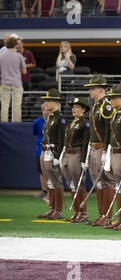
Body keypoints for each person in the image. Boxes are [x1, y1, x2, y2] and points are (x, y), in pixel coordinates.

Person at [83, 75, 115, 227]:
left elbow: (109, 130)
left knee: (106, 182)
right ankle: (101, 214)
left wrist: (106, 150)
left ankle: (107, 215)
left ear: (101, 90)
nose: (90, 91)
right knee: (98, 182)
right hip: (94, 147)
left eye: (92, 88)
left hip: (102, 147)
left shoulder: (106, 106)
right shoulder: (95, 106)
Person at [102, 85, 121, 231]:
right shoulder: (114, 114)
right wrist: (106, 151)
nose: (111, 100)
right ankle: (120, 218)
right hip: (114, 152)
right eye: (110, 97)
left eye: (114, 97)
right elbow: (109, 134)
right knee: (118, 186)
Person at [36, 89, 66, 220]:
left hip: (52, 152)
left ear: (56, 102)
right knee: (49, 181)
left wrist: (58, 156)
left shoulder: (60, 118)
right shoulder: (50, 117)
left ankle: (58, 210)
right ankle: (51, 209)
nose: (46, 103)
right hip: (44, 150)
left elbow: (62, 140)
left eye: (49, 100)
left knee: (56, 181)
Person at [61, 97, 91, 223]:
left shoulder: (85, 123)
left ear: (83, 110)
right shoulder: (71, 123)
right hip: (68, 154)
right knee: (72, 184)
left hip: (77, 154)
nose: (74, 109)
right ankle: (76, 211)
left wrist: (84, 159)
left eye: (77, 107)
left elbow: (85, 142)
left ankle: (82, 213)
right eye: (73, 107)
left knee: (79, 184)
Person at [0, 35, 26, 122]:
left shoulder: (1, 56)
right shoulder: (19, 56)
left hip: (4, 84)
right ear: (16, 45)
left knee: (4, 106)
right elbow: (24, 72)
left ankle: (3, 125)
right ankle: (17, 125)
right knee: (17, 106)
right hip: (17, 84)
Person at [33, 103, 49, 200]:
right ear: (42, 110)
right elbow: (35, 133)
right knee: (42, 171)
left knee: (52, 171)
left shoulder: (55, 121)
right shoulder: (37, 122)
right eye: (45, 110)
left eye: (49, 110)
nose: (47, 112)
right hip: (40, 150)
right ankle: (44, 191)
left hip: (52, 150)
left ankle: (53, 191)